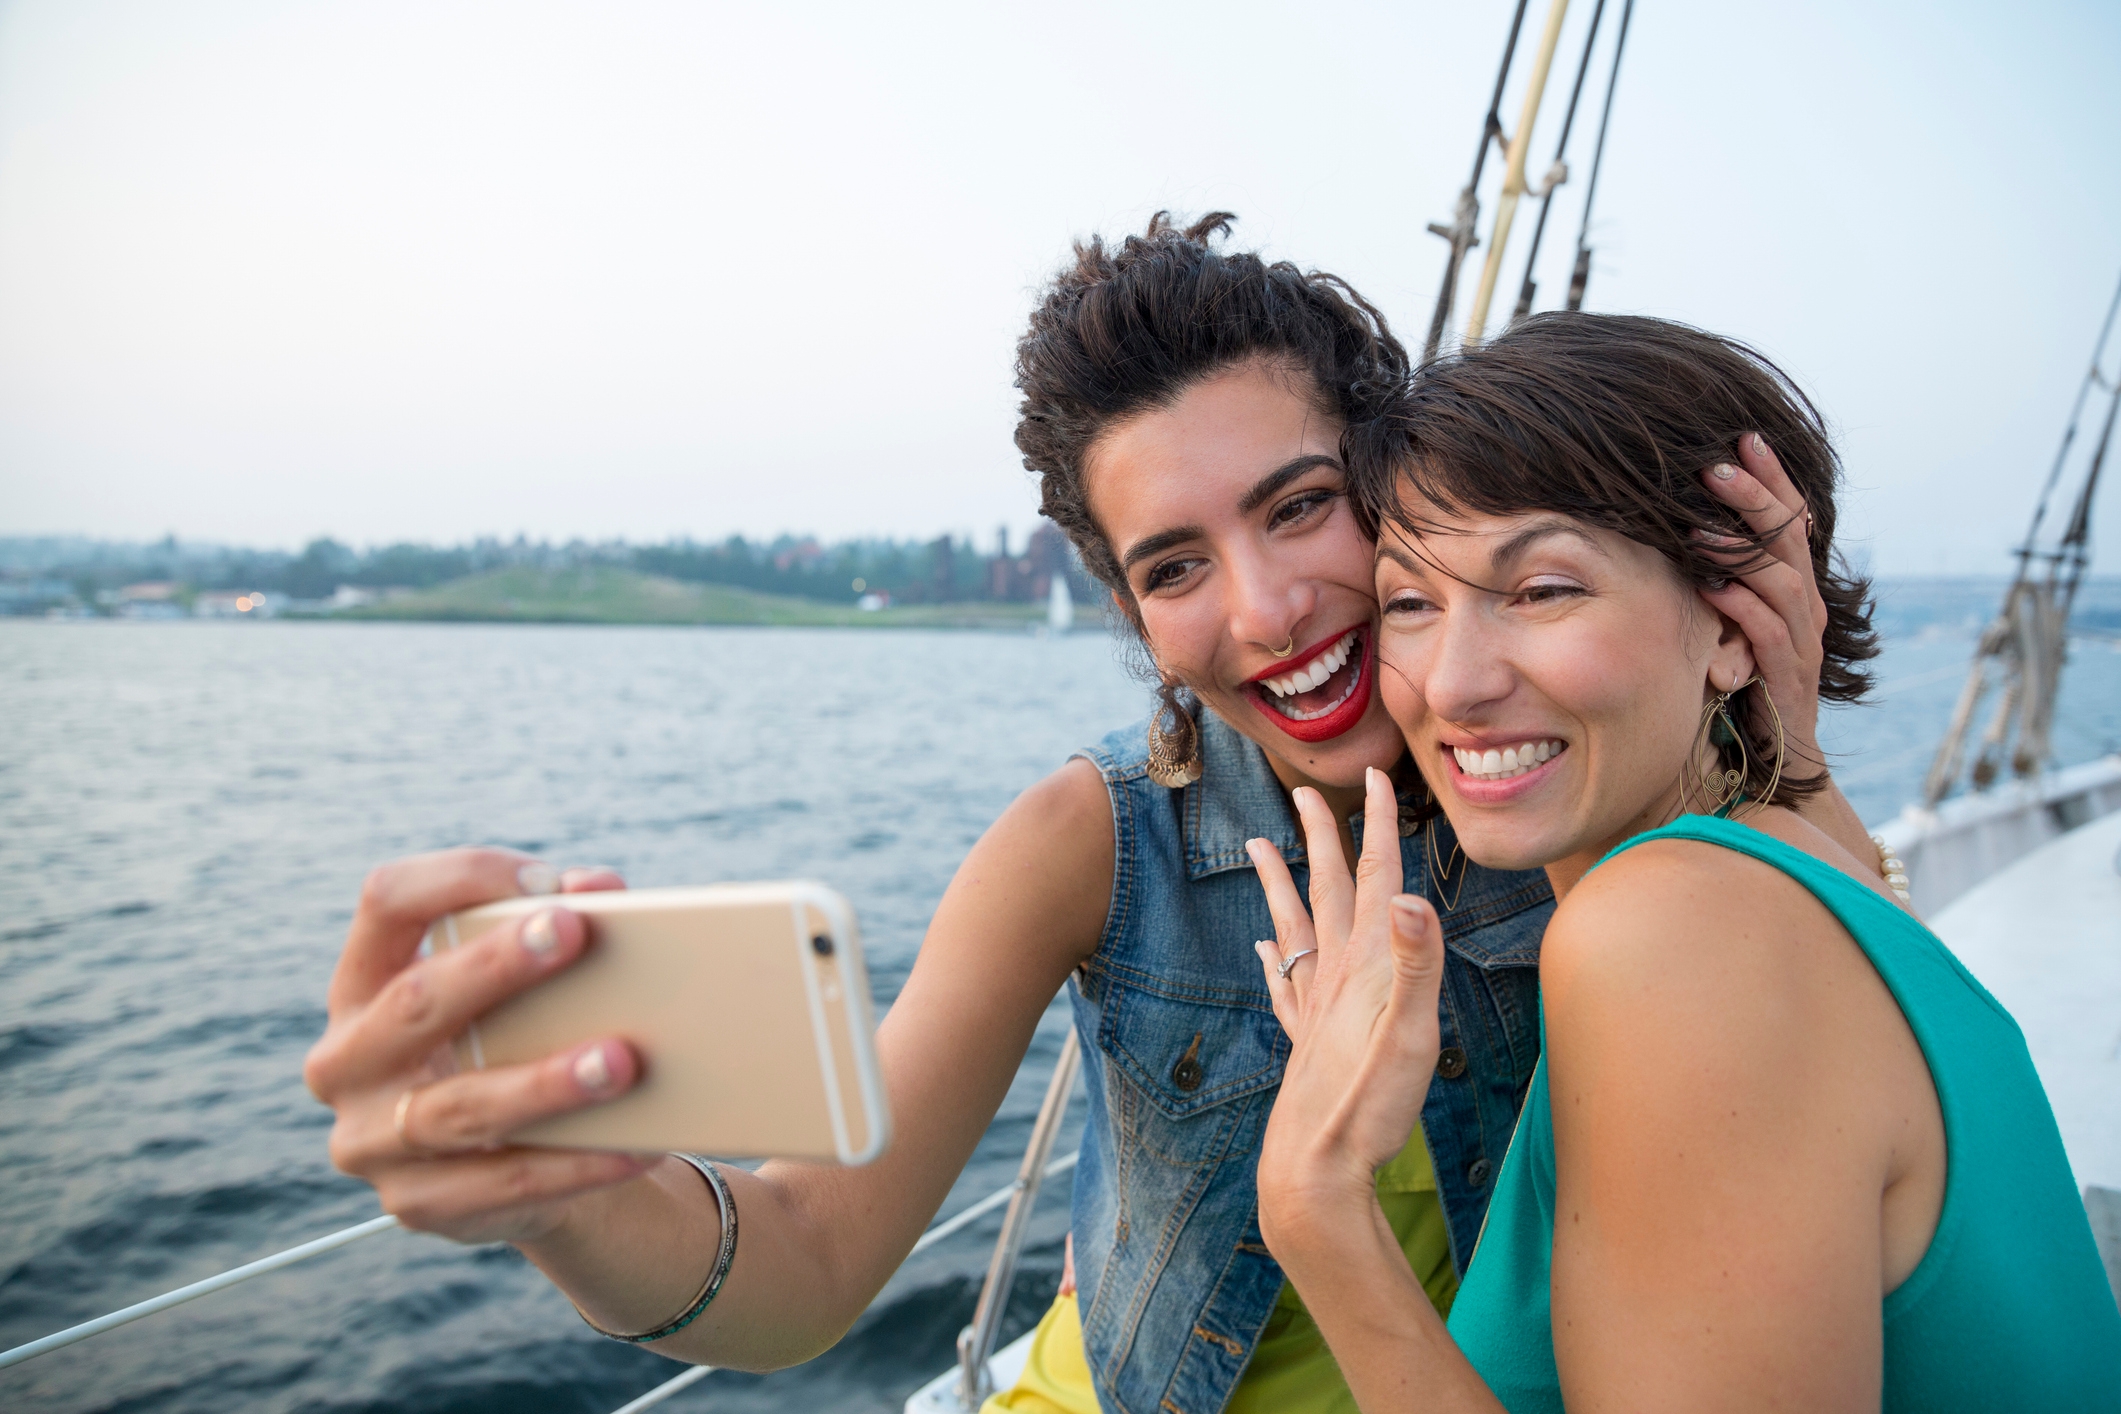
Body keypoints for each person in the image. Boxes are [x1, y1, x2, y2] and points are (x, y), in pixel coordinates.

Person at [303, 219, 1868, 1414]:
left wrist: (1778, 753)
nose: (1264, 610)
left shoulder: (1589, 786)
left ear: (1401, 485)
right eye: (1172, 566)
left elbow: (1843, 1056)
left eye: (1300, 504)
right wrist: (575, 1195)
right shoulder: (1094, 840)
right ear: (1127, 610)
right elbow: (807, 1257)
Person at [1246, 312, 2121, 1413]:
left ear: (1731, 625)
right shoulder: (1806, 866)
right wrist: (1778, 740)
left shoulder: (1668, 933)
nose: (1454, 682)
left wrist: (1315, 1206)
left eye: (1542, 590)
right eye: (1411, 602)